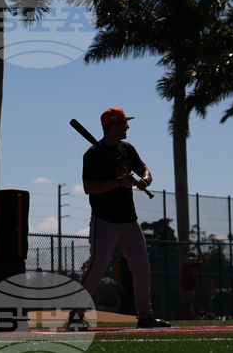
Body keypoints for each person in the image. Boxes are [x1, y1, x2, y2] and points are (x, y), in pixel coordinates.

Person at [66, 107, 170, 331]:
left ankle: (145, 316)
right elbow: (88, 188)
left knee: (142, 267)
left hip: (129, 220)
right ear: (112, 126)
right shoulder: (93, 154)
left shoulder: (127, 149)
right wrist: (117, 182)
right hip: (104, 221)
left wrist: (145, 179)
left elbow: (145, 169)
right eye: (124, 123)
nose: (127, 127)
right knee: (96, 267)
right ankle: (75, 317)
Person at [178, 251, 204, 320]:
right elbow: (189, 260)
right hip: (185, 287)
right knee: (186, 305)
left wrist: (201, 254)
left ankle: (190, 318)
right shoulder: (186, 263)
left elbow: (205, 262)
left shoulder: (195, 264)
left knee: (189, 305)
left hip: (192, 288)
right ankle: (185, 319)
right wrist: (196, 258)